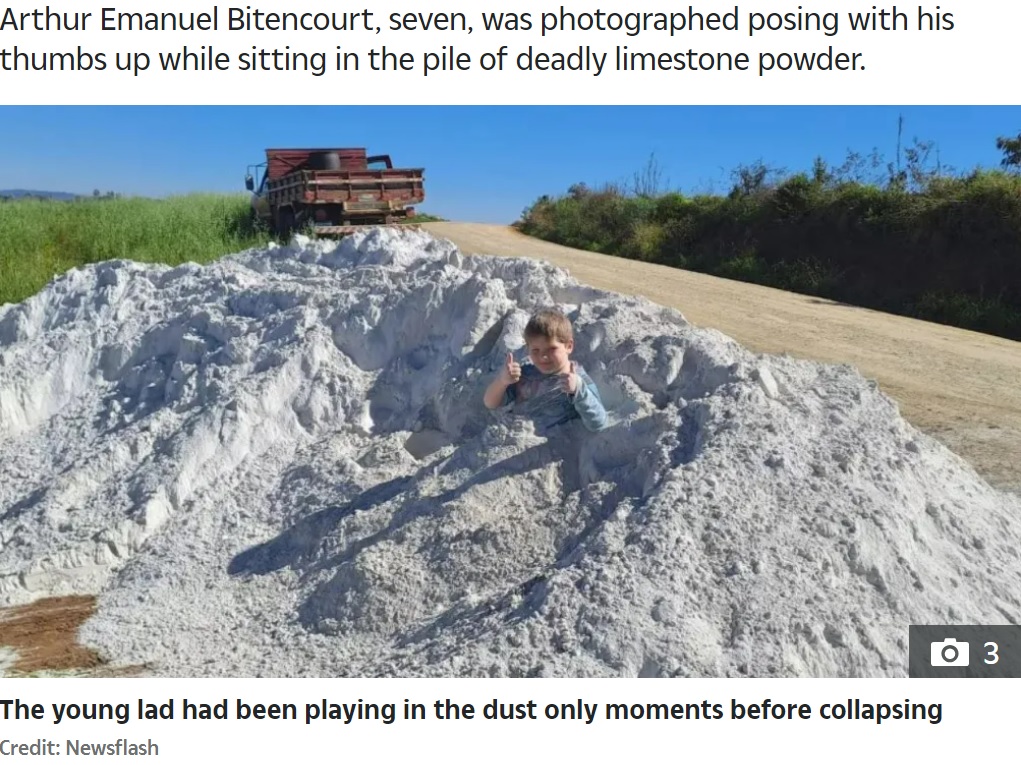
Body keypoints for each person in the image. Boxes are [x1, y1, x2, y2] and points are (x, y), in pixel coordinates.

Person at [484, 309, 608, 433]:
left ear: (569, 346)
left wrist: (578, 390)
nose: (543, 356)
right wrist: (502, 381)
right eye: (535, 350)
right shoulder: (525, 374)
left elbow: (599, 423)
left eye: (551, 348)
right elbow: (491, 403)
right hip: (514, 434)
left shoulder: (578, 380)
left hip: (547, 445)